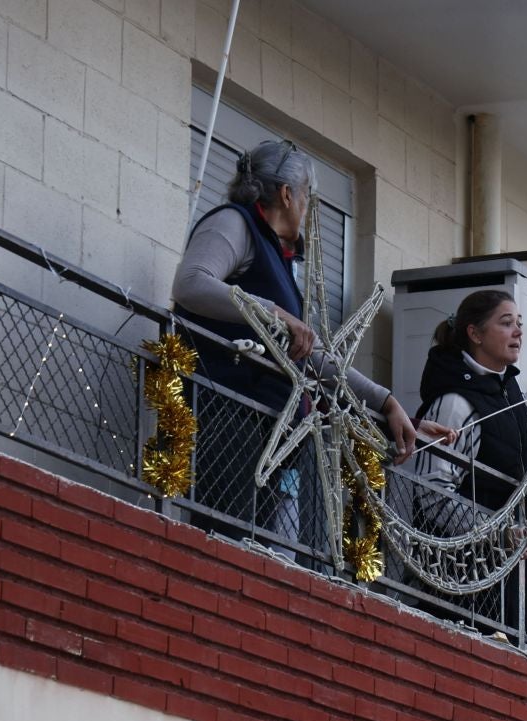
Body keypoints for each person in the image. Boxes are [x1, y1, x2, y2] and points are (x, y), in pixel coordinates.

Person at [171, 139, 439, 544]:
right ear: (286, 194)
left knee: (257, 554)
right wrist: (273, 312)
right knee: (223, 543)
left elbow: (311, 355)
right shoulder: (235, 223)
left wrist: (385, 402)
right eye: (308, 197)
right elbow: (190, 284)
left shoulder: (279, 259)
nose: (310, 208)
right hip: (227, 415)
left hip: (266, 431)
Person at [410, 289, 527, 637]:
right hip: (456, 585)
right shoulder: (454, 402)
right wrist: (497, 533)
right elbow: (432, 495)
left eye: (519, 324)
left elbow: (515, 424)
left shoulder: (500, 390)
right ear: (475, 333)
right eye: (506, 323)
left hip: (501, 582)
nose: (518, 332)